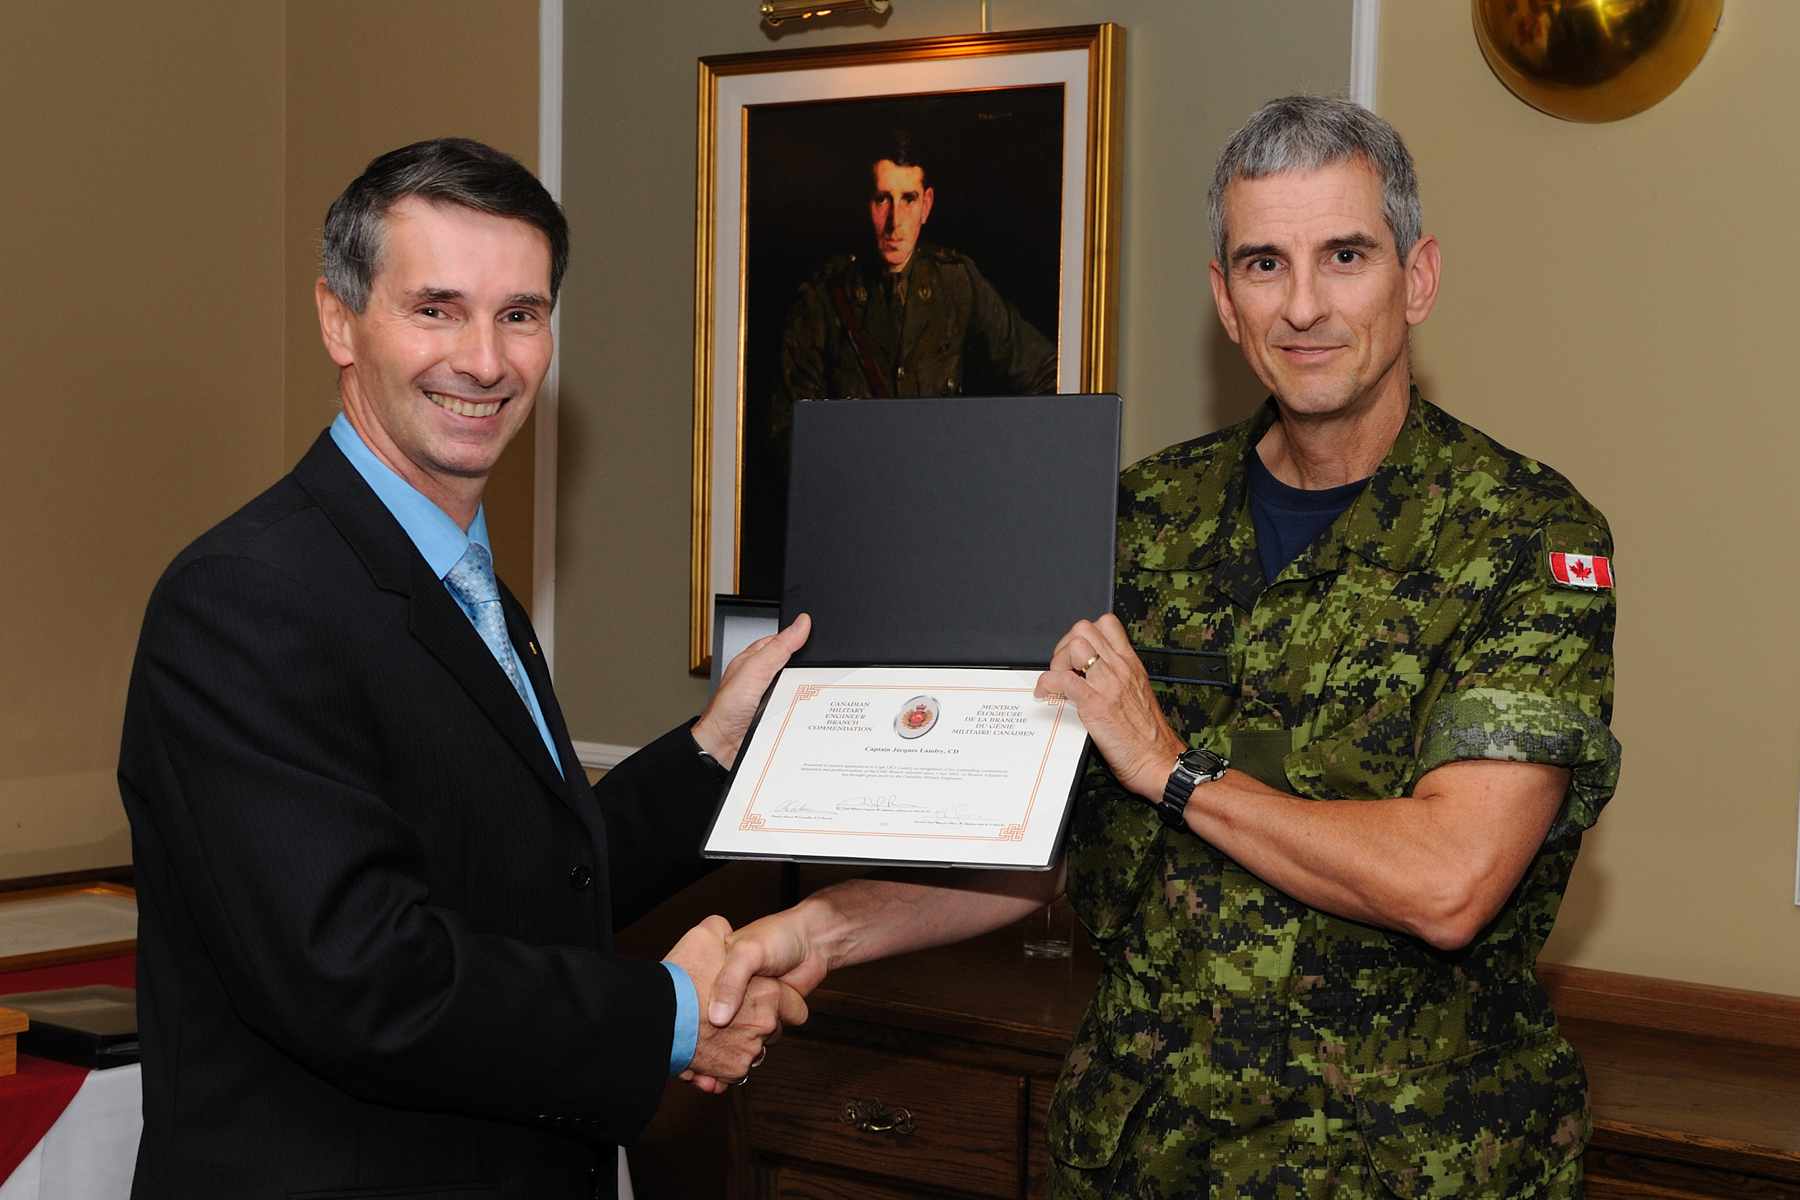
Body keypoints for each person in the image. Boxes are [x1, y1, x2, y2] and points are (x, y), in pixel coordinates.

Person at [708, 97, 1621, 1198]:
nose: (1304, 305)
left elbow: (1449, 881)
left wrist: (1174, 770)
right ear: (1225, 303)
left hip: (1409, 1163)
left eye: (1345, 255)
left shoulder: (1529, 535)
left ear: (1416, 278)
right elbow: (1033, 845)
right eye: (1262, 264)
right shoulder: (1136, 523)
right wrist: (811, 935)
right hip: (1143, 1158)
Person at [118, 138, 807, 1200]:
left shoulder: (456, 576)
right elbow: (357, 974)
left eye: (520, 313)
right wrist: (672, 1015)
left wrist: (717, 746)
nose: (485, 360)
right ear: (339, 322)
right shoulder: (244, 599)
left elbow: (518, 879)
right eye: (436, 307)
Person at [771, 130, 1058, 449]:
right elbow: (789, 436)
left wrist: (1002, 450)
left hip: (939, 484)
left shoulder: (954, 282)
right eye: (883, 199)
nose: (895, 222)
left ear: (927, 205)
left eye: (909, 199)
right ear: (865, 203)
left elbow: (1047, 372)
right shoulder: (821, 300)